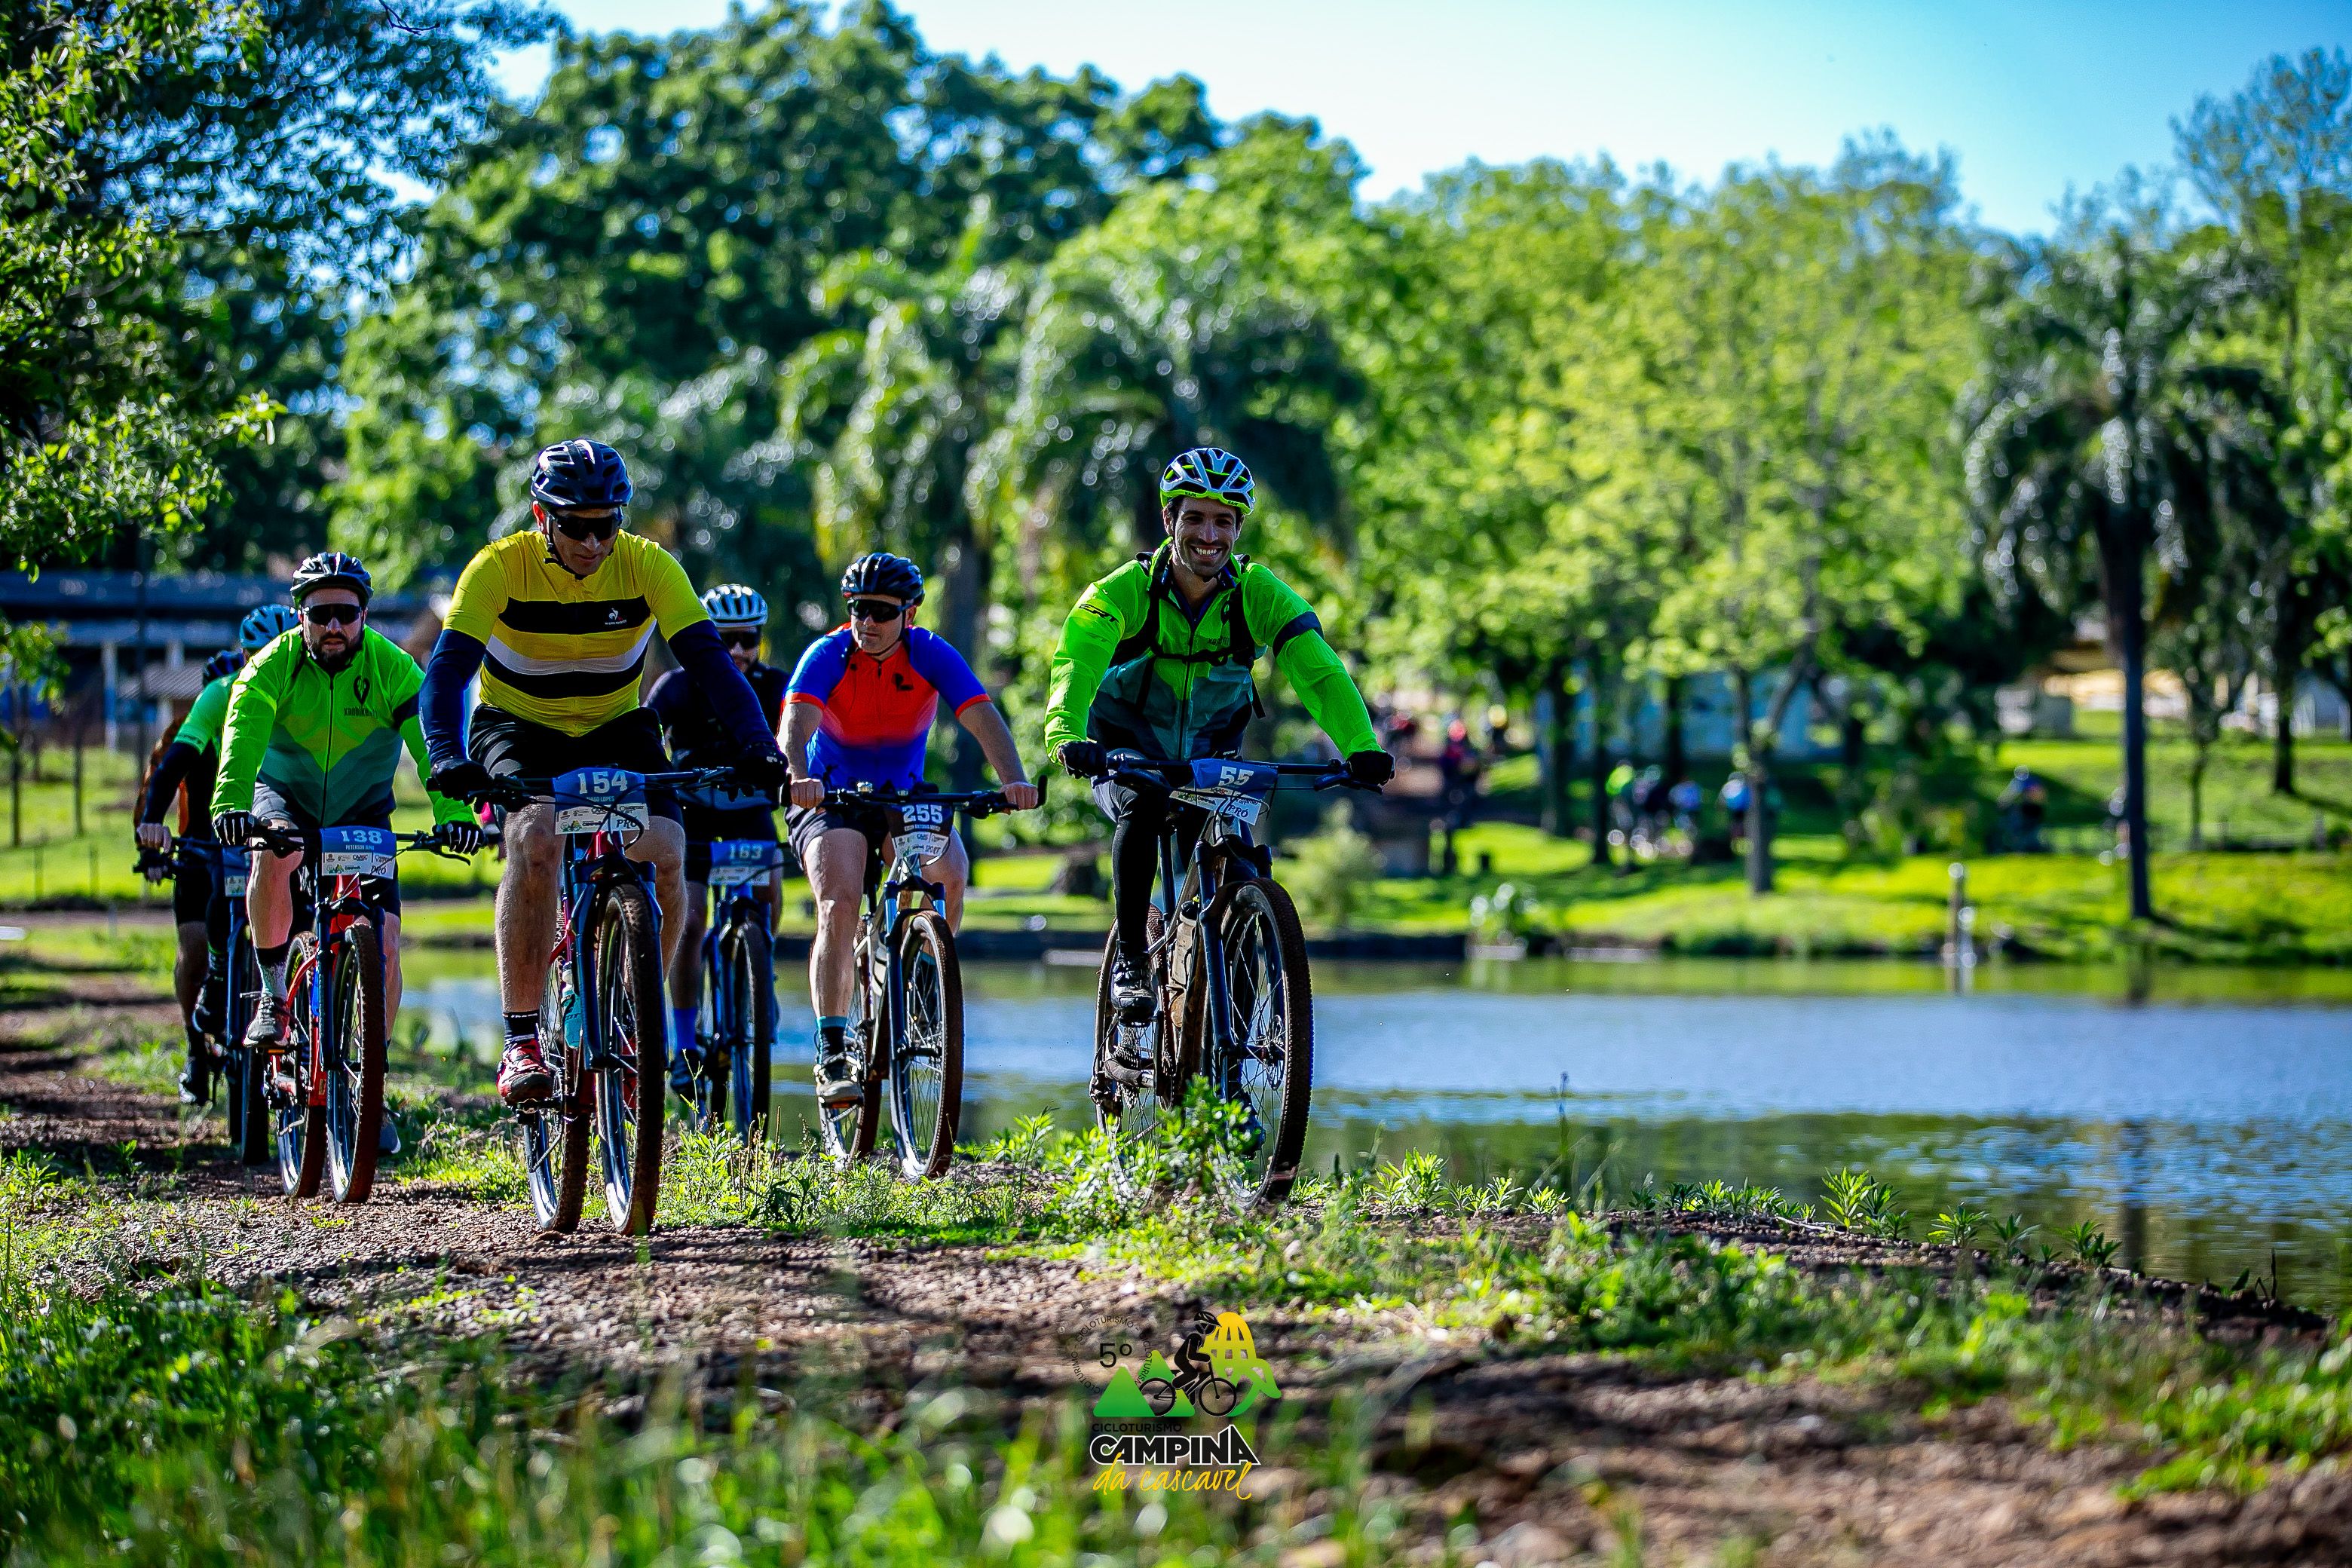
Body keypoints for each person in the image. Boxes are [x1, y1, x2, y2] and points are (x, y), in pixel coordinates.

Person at [416, 439, 789, 1108]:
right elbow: (445, 675)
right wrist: (446, 754)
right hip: (518, 726)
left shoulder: (648, 564)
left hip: (616, 727)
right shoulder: (497, 568)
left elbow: (711, 664)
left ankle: (636, 1010)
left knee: (670, 848)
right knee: (535, 838)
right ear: (542, 517)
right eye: (576, 526)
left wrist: (760, 743)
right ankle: (521, 1039)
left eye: (607, 525)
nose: (594, 542)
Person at [1042, 446, 1393, 1025]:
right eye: (1196, 519)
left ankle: (1238, 1007)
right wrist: (1065, 733)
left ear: (1238, 528)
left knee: (1239, 857)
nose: (1210, 535)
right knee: (1145, 802)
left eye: (1224, 521)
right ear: (1169, 520)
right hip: (1125, 750)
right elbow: (1076, 663)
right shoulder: (1123, 592)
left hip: (1211, 754)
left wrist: (1361, 747)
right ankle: (1133, 957)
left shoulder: (1258, 593)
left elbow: (1320, 672)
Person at [208, 555, 479, 1107]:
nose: (334, 625)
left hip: (362, 811)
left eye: (347, 613)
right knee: (273, 853)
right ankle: (274, 996)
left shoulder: (393, 668)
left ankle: (369, 1080)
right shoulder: (271, 667)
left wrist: (454, 814)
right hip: (286, 797)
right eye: (320, 613)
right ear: (300, 616)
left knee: (387, 942)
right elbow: (242, 734)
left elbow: (430, 744)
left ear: (364, 616)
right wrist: (231, 803)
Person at [782, 552, 1040, 1105]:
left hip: (902, 794)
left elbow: (981, 716)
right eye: (858, 609)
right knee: (839, 900)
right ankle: (832, 1051)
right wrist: (799, 776)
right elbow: (795, 724)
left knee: (951, 871)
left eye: (881, 611)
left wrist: (1014, 781)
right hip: (831, 794)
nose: (867, 622)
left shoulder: (929, 653)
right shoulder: (829, 654)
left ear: (910, 614)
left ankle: (924, 976)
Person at [134, 611, 293, 1100]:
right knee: (196, 943)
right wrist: (150, 829)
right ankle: (194, 1044)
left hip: (270, 832)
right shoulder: (216, 700)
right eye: (256, 655)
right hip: (206, 838)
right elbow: (167, 771)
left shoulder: (302, 698)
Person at [647, 583, 789, 1100]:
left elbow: (804, 736)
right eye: (725, 639)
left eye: (748, 639)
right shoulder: (676, 687)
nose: (737, 651)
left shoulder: (777, 685)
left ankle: (760, 971)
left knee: (771, 886)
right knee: (689, 923)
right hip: (694, 814)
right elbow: (645, 736)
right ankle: (684, 1046)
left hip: (751, 810)